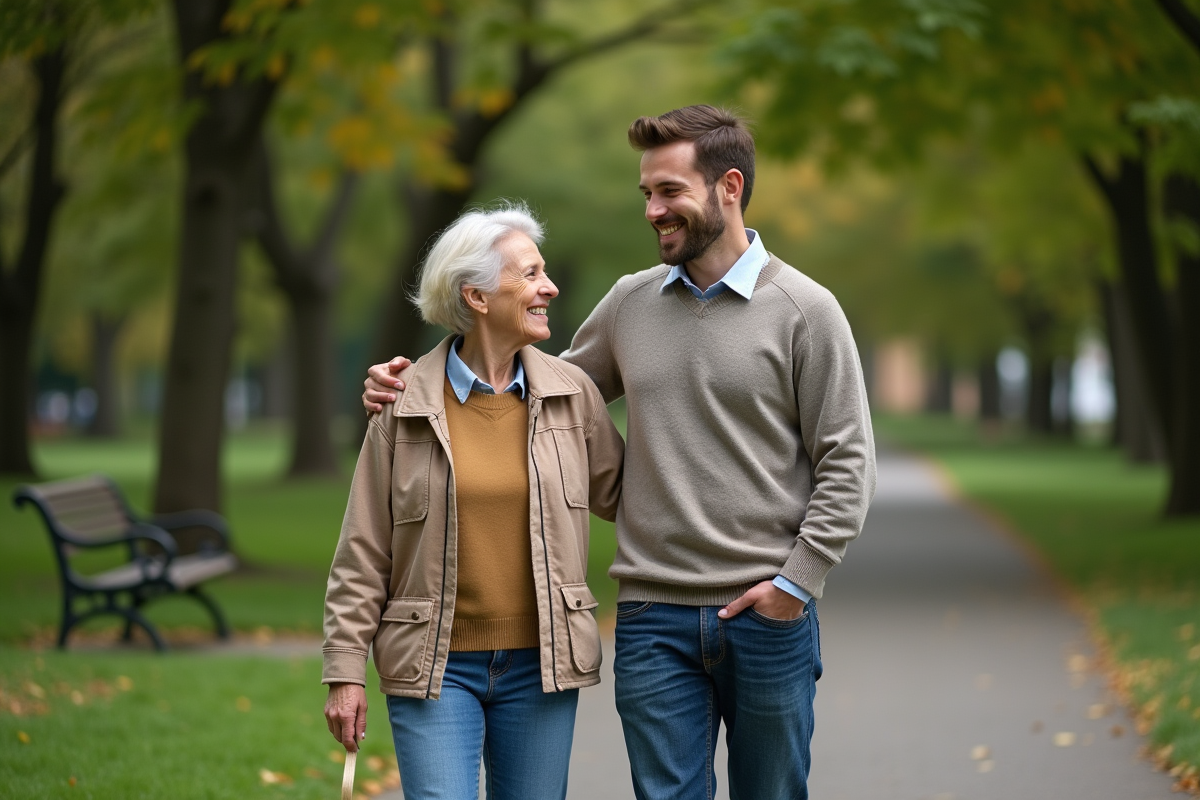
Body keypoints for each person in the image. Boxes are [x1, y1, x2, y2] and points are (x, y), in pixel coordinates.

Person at [362, 106, 876, 799]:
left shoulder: (805, 310)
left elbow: (847, 461)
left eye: (669, 192)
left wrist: (794, 584)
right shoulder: (630, 303)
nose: (653, 210)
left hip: (766, 614)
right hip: (651, 618)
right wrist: (411, 385)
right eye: (646, 195)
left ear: (729, 187)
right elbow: (529, 392)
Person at [324, 202, 624, 800]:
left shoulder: (573, 396)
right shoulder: (402, 401)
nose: (550, 287)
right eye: (531, 274)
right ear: (478, 297)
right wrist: (344, 673)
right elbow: (363, 547)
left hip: (542, 664)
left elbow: (632, 499)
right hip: (434, 667)